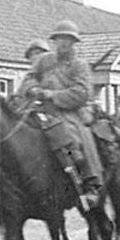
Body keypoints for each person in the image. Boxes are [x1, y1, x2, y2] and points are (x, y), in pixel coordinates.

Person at [20, 19, 104, 207]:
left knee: (75, 135)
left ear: (74, 42)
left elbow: (82, 93)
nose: (63, 43)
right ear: (54, 41)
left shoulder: (80, 65)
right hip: (40, 108)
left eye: (67, 40)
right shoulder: (44, 60)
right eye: (59, 39)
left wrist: (52, 94)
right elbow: (28, 79)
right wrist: (33, 89)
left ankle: (90, 181)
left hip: (68, 111)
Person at [15, 38, 51, 105]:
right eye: (31, 55)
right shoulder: (28, 77)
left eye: (38, 53)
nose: (35, 57)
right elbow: (20, 94)